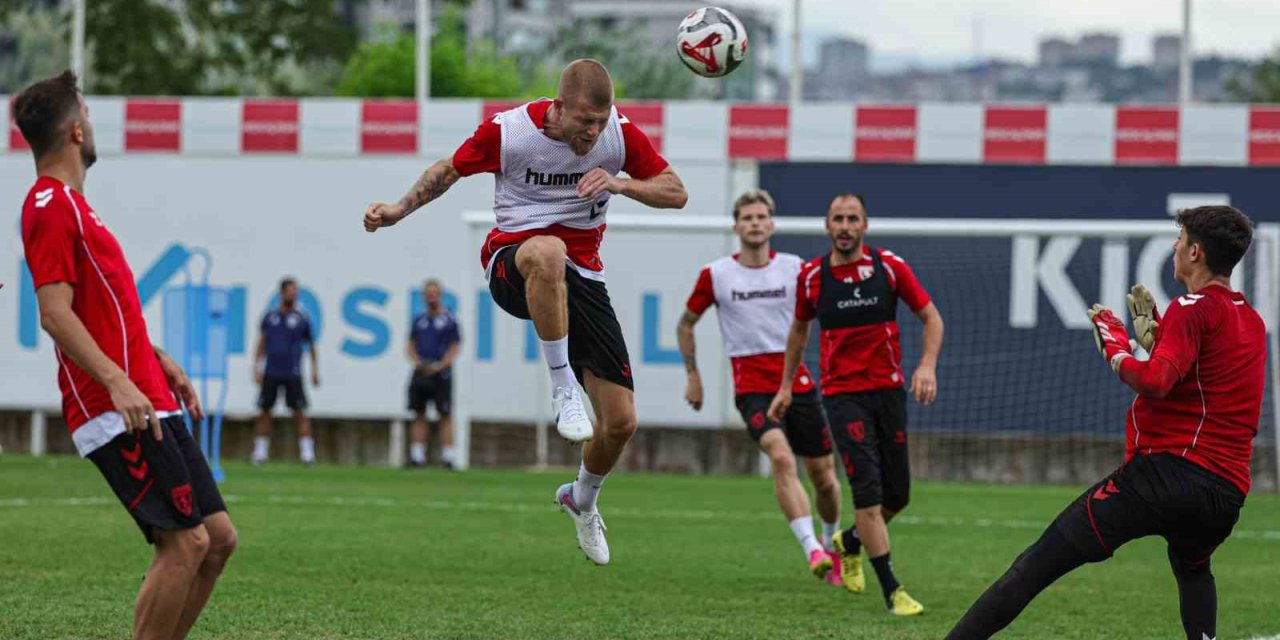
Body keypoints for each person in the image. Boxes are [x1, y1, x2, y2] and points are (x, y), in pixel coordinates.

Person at [362, 59, 687, 565]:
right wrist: (399, 210)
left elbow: (676, 190)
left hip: (584, 280)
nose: (593, 132)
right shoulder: (510, 132)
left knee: (621, 423)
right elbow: (447, 171)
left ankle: (581, 499)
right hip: (513, 262)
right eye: (584, 121)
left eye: (600, 122)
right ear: (558, 107)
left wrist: (623, 184)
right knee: (549, 251)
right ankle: (563, 390)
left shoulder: (618, 137)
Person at [946, 206, 1265, 640]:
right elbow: (1201, 386)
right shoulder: (1251, 319)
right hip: (1224, 494)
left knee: (1036, 565)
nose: (1173, 247)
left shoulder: (1192, 307)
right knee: (1193, 570)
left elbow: (1156, 382)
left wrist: (1118, 352)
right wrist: (1156, 342)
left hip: (1166, 477)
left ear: (1194, 252)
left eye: (1180, 239)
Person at [17, 70, 237, 640]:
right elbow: (55, 312)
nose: (92, 124)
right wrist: (117, 380)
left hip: (147, 393)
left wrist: (153, 357)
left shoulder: (76, 207)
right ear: (72, 130)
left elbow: (102, 310)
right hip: (115, 406)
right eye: (86, 114)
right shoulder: (47, 203)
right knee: (184, 542)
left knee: (216, 540)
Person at [769, 193, 943, 616]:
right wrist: (786, 386)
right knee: (867, 493)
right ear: (827, 226)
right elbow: (797, 333)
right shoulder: (812, 277)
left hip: (888, 392)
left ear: (865, 225)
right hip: (843, 396)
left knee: (897, 496)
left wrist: (926, 366)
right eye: (837, 219)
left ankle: (849, 542)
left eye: (852, 219)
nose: (845, 226)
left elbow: (932, 318)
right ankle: (893, 591)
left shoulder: (889, 267)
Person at [677, 190, 844, 585]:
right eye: (747, 217)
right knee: (782, 459)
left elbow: (825, 316)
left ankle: (829, 540)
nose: (754, 223)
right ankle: (812, 550)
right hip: (751, 387)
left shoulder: (795, 270)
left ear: (771, 224)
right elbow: (685, 323)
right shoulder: (716, 274)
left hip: (797, 383)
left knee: (824, 476)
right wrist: (694, 376)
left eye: (761, 217)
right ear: (736, 226)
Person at [251, 277, 319, 465]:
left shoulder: (301, 319)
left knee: (300, 412)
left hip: (293, 373)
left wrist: (314, 370)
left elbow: (311, 345)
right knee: (265, 411)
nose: (293, 295)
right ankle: (260, 453)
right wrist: (256, 366)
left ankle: (307, 454)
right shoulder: (270, 317)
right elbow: (262, 343)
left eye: (295, 292)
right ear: (282, 293)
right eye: (290, 291)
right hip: (271, 372)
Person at [406, 279, 462, 469]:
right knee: (418, 413)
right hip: (422, 371)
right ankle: (417, 456)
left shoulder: (449, 320)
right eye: (428, 293)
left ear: (440, 295)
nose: (431, 297)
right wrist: (418, 362)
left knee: (444, 414)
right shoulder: (419, 320)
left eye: (434, 293)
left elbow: (455, 346)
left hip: (441, 373)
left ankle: (448, 457)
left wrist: (441, 365)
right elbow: (410, 344)